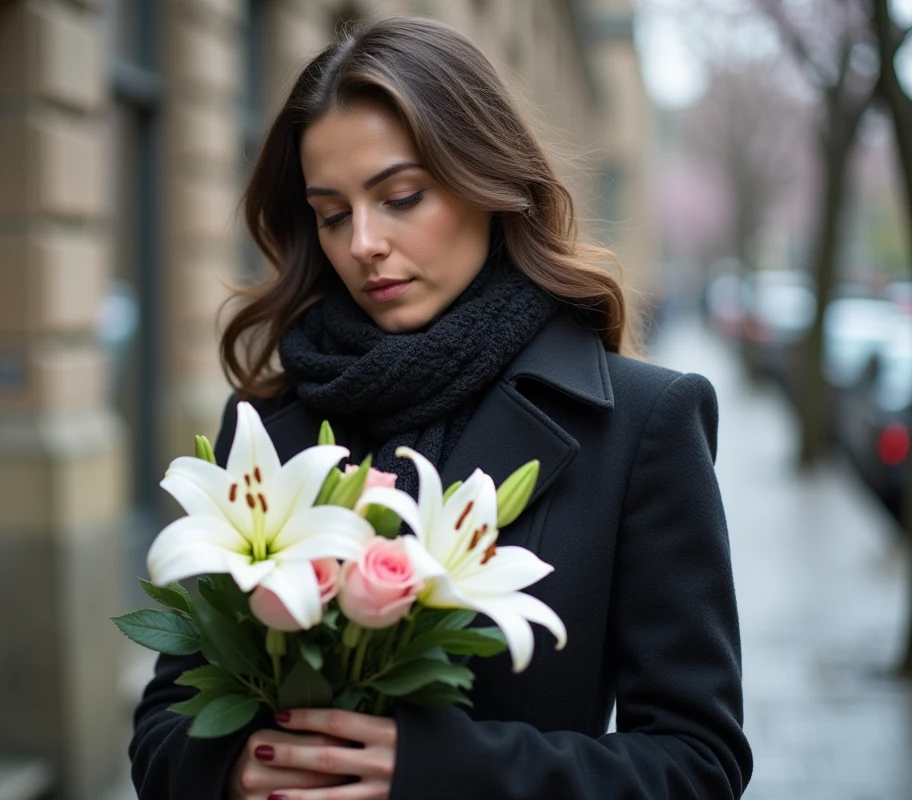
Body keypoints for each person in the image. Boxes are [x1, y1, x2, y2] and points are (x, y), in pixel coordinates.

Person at [129, 15, 752, 800]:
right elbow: (161, 727)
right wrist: (242, 768)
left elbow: (698, 765)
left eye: (401, 196)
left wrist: (438, 771)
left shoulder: (642, 424)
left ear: (487, 181)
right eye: (330, 213)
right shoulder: (262, 426)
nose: (363, 243)